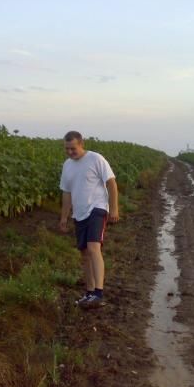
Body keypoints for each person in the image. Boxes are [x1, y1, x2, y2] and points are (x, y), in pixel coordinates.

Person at [59, 131, 119, 308]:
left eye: (73, 148)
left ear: (81, 144)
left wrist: (114, 208)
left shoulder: (95, 159)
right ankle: (89, 292)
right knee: (84, 253)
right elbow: (66, 193)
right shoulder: (67, 166)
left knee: (94, 247)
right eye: (67, 149)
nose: (70, 152)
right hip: (79, 212)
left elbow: (111, 183)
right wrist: (64, 218)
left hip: (97, 208)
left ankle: (98, 293)